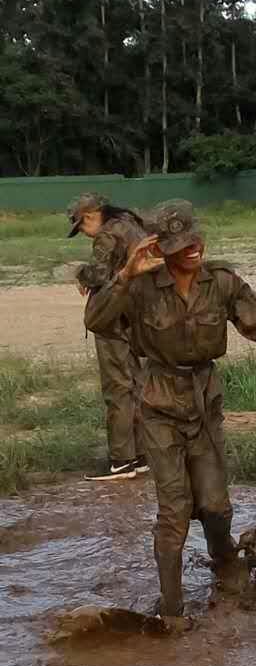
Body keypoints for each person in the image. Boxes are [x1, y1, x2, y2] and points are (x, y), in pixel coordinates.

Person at [84, 200, 256, 621]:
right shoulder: (139, 285)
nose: (192, 248)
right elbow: (96, 319)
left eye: (194, 238)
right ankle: (172, 610)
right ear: (159, 248)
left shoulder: (219, 281)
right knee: (175, 510)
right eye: (180, 244)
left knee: (215, 504)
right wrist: (125, 274)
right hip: (159, 401)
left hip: (204, 398)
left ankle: (227, 569)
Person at [69, 192, 149, 481]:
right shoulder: (130, 222)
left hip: (114, 315)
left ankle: (122, 461)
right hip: (138, 313)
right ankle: (140, 456)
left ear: (89, 217)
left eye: (80, 228)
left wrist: (80, 273)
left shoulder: (107, 234)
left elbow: (100, 274)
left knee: (117, 388)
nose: (82, 234)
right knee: (135, 384)